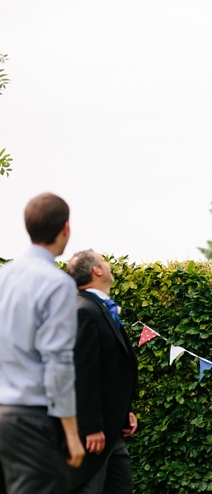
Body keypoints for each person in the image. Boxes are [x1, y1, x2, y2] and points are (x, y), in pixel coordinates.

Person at [0, 193, 85, 494]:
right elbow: (58, 362)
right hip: (34, 419)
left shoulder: (3, 276)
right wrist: (72, 434)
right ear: (65, 228)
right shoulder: (57, 283)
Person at [66, 250, 138, 494]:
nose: (108, 265)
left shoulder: (102, 308)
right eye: (104, 262)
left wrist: (124, 410)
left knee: (121, 488)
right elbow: (84, 373)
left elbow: (110, 370)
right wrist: (91, 426)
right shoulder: (84, 310)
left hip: (113, 427)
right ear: (97, 270)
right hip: (96, 434)